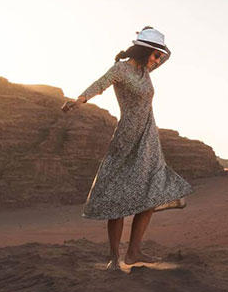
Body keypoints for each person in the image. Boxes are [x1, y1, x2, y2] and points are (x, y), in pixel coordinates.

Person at [61, 26, 195, 271]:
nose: (158, 60)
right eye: (155, 55)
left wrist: (150, 35)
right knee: (117, 196)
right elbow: (98, 84)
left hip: (149, 138)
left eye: (158, 56)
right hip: (126, 138)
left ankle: (134, 252)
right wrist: (79, 100)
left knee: (150, 192)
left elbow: (167, 55)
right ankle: (114, 257)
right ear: (144, 51)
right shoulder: (121, 69)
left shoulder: (146, 69)